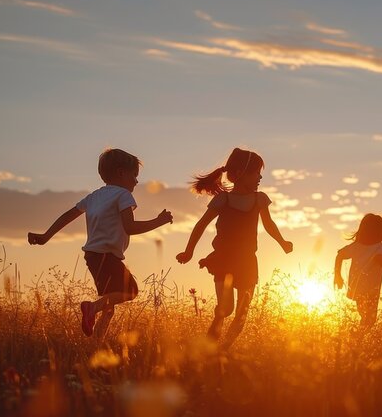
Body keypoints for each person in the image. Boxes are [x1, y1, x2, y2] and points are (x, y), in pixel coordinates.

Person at [28, 149, 173, 339]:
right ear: (121, 173)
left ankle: (96, 344)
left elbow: (67, 216)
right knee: (130, 291)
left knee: (109, 305)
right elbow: (129, 227)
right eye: (134, 175)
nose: (136, 181)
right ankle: (91, 308)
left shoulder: (94, 196)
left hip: (93, 255)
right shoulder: (123, 195)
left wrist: (46, 236)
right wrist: (158, 221)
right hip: (107, 255)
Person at [176, 147, 293, 348]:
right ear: (240, 174)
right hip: (224, 259)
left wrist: (282, 242)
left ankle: (221, 351)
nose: (260, 177)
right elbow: (201, 225)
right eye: (256, 173)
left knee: (241, 315)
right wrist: (189, 251)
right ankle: (210, 343)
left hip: (247, 261)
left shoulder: (260, 199)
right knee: (225, 309)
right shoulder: (223, 199)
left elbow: (269, 225)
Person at [334, 214, 382, 330]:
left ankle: (354, 340)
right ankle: (355, 340)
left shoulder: (356, 246)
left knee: (364, 317)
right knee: (370, 320)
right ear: (381, 231)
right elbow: (380, 259)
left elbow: (339, 256)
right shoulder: (380, 247)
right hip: (370, 289)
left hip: (357, 288)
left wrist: (337, 275)